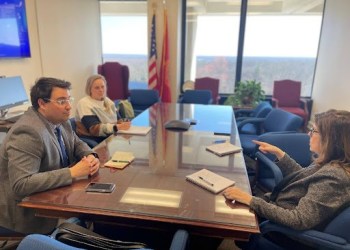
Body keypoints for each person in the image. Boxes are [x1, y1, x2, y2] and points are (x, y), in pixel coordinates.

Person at [223, 109, 350, 248]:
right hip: (278, 211)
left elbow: (299, 220)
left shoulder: (334, 177)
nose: (309, 134)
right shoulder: (332, 161)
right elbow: (305, 179)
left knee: (226, 216)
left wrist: (251, 200)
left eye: (314, 131)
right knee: (227, 212)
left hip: (283, 232)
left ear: (331, 139)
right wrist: (280, 154)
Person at [0, 77, 100, 234]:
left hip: (56, 198)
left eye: (69, 99)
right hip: (28, 214)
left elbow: (77, 144)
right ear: (42, 103)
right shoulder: (27, 132)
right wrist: (72, 173)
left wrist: (90, 155)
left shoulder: (61, 120)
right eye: (61, 101)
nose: (68, 106)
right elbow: (21, 184)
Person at [75, 74, 131, 143]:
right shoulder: (84, 103)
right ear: (90, 89)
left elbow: (118, 120)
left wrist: (125, 122)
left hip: (111, 137)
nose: (101, 90)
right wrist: (116, 127)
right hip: (94, 140)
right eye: (97, 88)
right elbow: (94, 130)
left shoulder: (108, 101)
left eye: (102, 87)